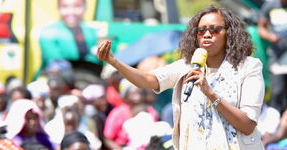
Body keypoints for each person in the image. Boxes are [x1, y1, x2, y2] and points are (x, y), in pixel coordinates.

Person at [96, 5, 265, 150]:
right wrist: (114, 61)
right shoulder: (187, 65)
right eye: (201, 30)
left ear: (229, 33)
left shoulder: (248, 67)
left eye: (214, 29)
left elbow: (248, 124)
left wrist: (210, 94)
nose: (207, 34)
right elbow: (148, 80)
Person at [39, 0, 101, 69]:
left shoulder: (92, 32)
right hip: (58, 76)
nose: (71, 12)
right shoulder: (49, 33)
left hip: (89, 75)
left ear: (85, 7)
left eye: (77, 6)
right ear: (58, 8)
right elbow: (54, 63)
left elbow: (96, 61)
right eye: (65, 6)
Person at [257, 0, 287, 114]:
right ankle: (276, 124)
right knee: (278, 90)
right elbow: (261, 28)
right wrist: (270, 36)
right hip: (277, 57)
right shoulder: (271, 5)